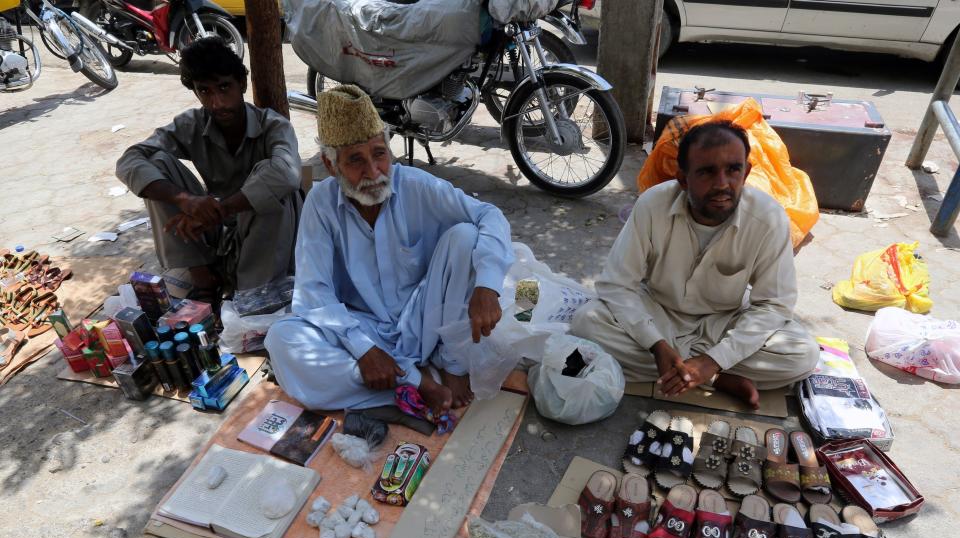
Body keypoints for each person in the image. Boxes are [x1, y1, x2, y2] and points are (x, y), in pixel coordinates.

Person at [265, 85, 514, 412]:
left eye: (379, 154)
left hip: (426, 321)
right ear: (330, 164)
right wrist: (364, 349)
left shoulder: (415, 185)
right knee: (282, 339)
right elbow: (314, 292)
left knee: (466, 238)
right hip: (363, 329)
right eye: (355, 160)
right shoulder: (320, 203)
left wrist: (487, 286)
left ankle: (448, 368)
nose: (373, 171)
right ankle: (416, 383)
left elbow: (489, 215)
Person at [571, 121, 818, 409]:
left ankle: (699, 370)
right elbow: (616, 284)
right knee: (586, 323)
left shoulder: (769, 218)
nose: (722, 183)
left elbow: (774, 305)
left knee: (803, 355)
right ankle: (716, 378)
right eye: (707, 172)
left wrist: (714, 359)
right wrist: (657, 345)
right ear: (683, 179)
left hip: (723, 320)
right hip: (658, 310)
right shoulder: (652, 205)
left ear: (746, 173)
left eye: (733, 170)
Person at [115, 37, 301, 300]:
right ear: (195, 92)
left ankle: (253, 291)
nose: (218, 103)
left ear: (242, 84)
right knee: (156, 162)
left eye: (225, 88)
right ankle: (204, 279)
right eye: (205, 91)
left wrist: (219, 209)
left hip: (266, 238)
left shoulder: (274, 126)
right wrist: (186, 200)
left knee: (277, 182)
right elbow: (130, 160)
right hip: (216, 232)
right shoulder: (192, 123)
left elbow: (287, 173)